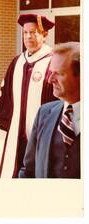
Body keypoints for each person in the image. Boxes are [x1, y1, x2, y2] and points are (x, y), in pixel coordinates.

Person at [0, 13, 57, 178]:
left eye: (33, 32)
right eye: (25, 32)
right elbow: (5, 94)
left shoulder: (53, 62)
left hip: (43, 134)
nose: (28, 36)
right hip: (18, 136)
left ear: (45, 34)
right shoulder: (17, 62)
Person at [18, 41, 80, 178]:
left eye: (59, 73)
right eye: (51, 72)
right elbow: (28, 170)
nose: (50, 79)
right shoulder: (44, 113)